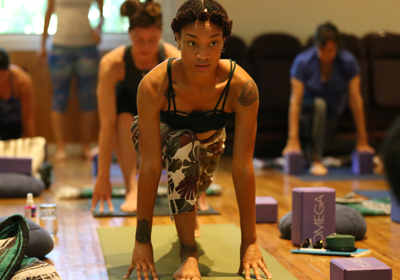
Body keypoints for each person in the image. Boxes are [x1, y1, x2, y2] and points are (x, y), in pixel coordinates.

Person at [123, 1, 273, 279]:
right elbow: (151, 166)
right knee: (184, 144)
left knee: (193, 184)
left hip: (213, 144)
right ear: (177, 40)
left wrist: (250, 243)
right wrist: (142, 241)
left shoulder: (242, 87)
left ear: (224, 42)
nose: (203, 55)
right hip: (158, 135)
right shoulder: (155, 85)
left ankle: (191, 206)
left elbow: (242, 167)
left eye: (213, 44)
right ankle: (188, 252)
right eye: (192, 44)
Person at [91, 0, 180, 213]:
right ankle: (132, 187)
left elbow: (185, 115)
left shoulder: (172, 60)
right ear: (130, 35)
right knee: (123, 119)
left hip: (159, 109)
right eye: (139, 40)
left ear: (160, 34)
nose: (146, 47)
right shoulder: (113, 64)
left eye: (152, 40)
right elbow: (106, 124)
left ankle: (161, 183)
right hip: (127, 110)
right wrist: (103, 177)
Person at [283, 22, 374, 176]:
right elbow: (295, 101)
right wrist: (292, 138)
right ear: (316, 46)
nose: (327, 54)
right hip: (308, 113)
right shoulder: (303, 61)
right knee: (319, 104)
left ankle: (317, 152)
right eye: (322, 50)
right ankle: (316, 159)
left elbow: (355, 99)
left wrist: (362, 138)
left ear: (337, 47)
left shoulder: (348, 61)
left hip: (334, 113)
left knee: (325, 107)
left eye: (331, 50)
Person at [39, 0, 104, 161]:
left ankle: (86, 146)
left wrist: (98, 29)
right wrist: (42, 45)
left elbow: (102, 16)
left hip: (87, 47)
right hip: (60, 46)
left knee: (88, 97)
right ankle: (61, 148)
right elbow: (48, 14)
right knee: (59, 97)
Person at [0, 47, 35, 140]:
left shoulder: (22, 82)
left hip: (16, 127)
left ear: (8, 70)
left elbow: (28, 119)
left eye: (2, 76)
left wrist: (29, 142)